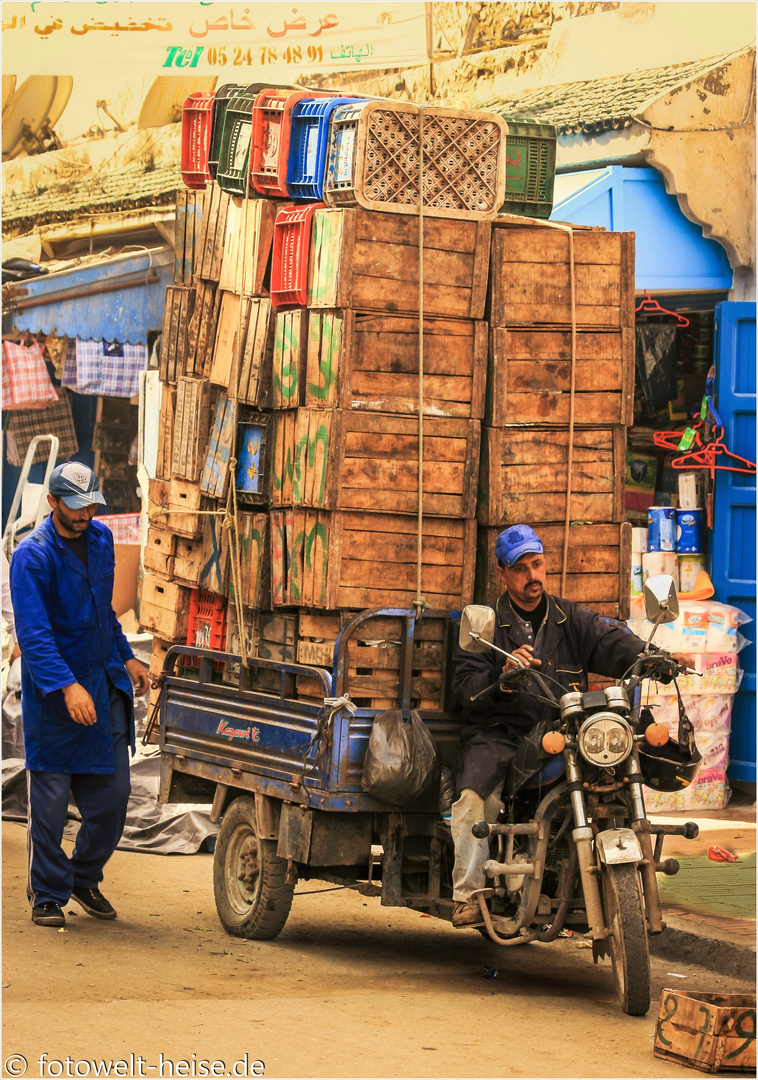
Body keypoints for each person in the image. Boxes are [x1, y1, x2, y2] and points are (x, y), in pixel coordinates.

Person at [449, 523, 651, 929]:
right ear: (503, 574)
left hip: (565, 734)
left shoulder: (569, 617)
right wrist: (501, 677)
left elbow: (611, 641)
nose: (532, 576)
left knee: (621, 772)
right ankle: (469, 893)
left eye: (537, 565)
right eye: (521, 568)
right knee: (474, 799)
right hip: (502, 735)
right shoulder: (484, 625)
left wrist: (654, 655)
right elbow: (464, 691)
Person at [9, 461, 148, 928]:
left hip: (102, 681)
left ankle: (84, 877)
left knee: (114, 795)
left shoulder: (102, 540)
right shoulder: (32, 557)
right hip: (54, 694)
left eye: (90, 505)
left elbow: (103, 611)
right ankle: (47, 893)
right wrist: (67, 686)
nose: (85, 514)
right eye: (75, 507)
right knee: (48, 805)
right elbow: (33, 635)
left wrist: (127, 656)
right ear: (52, 503)